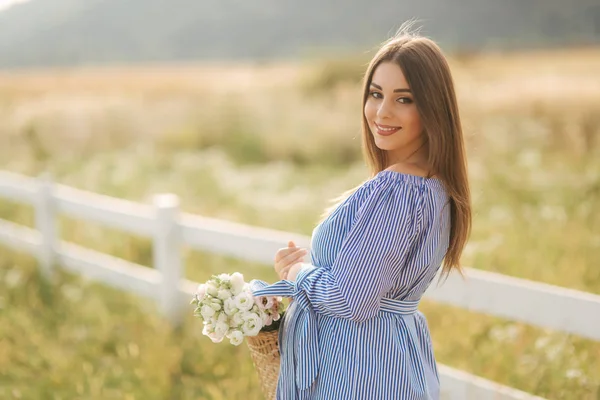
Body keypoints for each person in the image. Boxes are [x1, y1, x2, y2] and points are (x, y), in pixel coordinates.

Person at [251, 23, 471, 400]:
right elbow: (363, 282)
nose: (382, 112)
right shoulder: (430, 184)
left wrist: (298, 272)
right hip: (384, 361)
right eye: (375, 94)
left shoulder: (400, 189)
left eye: (405, 99)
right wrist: (312, 270)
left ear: (432, 108)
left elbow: (351, 301)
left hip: (358, 368)